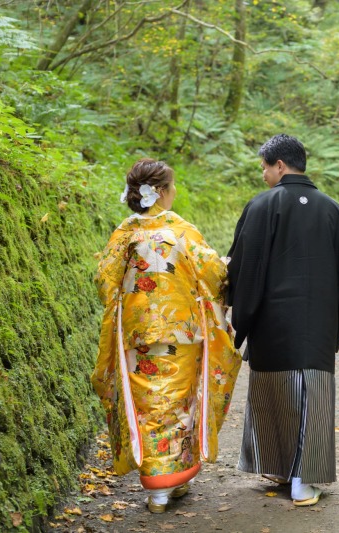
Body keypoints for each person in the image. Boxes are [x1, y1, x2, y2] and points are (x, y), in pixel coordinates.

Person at [91, 159, 241, 514]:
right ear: (159, 192)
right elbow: (215, 274)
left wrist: (131, 304)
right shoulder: (180, 229)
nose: (173, 193)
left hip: (136, 334)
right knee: (179, 404)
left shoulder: (124, 232)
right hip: (182, 333)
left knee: (148, 406)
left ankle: (159, 489)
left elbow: (104, 282)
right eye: (171, 188)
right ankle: (174, 480)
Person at [226, 134, 339, 507]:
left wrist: (242, 321)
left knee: (276, 396)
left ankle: (282, 469)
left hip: (271, 324)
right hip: (316, 327)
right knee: (310, 400)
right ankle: (303, 479)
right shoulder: (333, 210)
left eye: (265, 168)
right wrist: (334, 329)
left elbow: (244, 271)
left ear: (279, 165)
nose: (264, 175)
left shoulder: (261, 206)